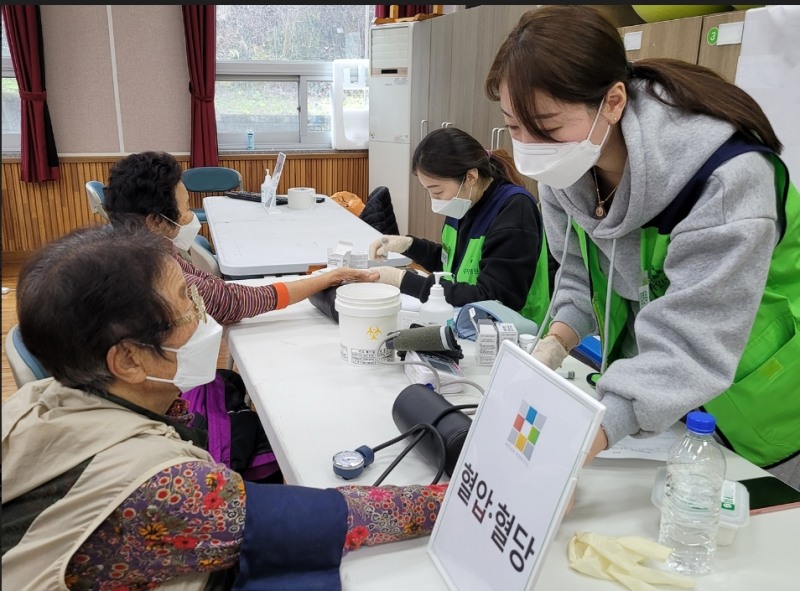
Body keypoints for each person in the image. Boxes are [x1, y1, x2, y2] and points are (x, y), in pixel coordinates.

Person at [1, 225, 448, 590]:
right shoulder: (166, 488)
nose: (206, 316)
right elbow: (334, 519)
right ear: (129, 359)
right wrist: (465, 494)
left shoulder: (36, 403)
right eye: (188, 303)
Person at [485, 5, 799, 486]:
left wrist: (575, 446)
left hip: (757, 404)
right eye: (513, 126)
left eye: (546, 126)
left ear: (612, 103)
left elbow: (692, 344)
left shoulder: (724, 179)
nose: (528, 146)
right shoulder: (564, 164)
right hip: (654, 393)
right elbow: (577, 274)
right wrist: (553, 344)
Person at [104, 150, 378, 326]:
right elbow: (230, 302)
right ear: (155, 221)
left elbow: (212, 286)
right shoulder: (152, 271)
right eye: (185, 209)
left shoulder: (136, 247)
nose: (188, 218)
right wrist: (325, 279)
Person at [369, 126, 551, 325]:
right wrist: (409, 245)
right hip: (467, 321)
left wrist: (405, 281)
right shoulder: (465, 202)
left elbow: (494, 298)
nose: (434, 200)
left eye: (437, 192)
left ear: (470, 177)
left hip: (514, 332)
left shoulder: (514, 211)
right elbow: (454, 263)